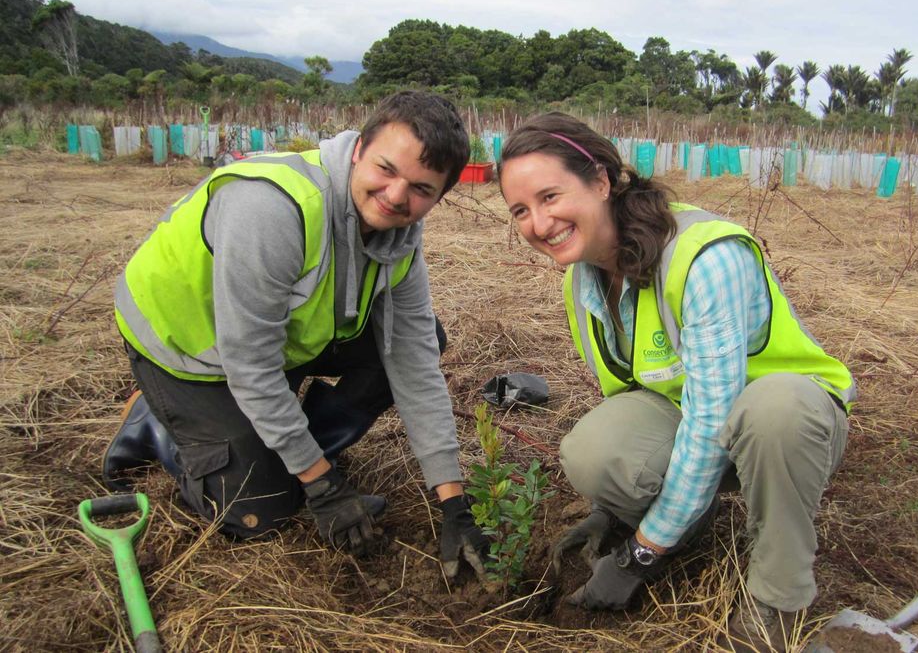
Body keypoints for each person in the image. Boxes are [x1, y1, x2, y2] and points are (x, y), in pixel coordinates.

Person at [497, 113, 854, 652]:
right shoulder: (583, 279)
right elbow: (628, 396)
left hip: (787, 426)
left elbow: (714, 419)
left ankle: (779, 598)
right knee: (594, 450)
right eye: (521, 210)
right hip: (693, 416)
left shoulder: (703, 256)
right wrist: (610, 511)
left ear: (600, 180)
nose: (539, 223)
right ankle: (690, 519)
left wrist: (641, 554)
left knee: (775, 409)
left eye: (550, 196)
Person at [103, 90, 488, 581]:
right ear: (358, 150)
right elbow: (250, 364)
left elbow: (413, 361)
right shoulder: (273, 209)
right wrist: (324, 488)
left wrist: (454, 505)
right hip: (188, 352)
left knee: (422, 338)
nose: (396, 196)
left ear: (439, 196)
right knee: (259, 513)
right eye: (386, 169)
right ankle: (156, 421)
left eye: (421, 189)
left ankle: (296, 457)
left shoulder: (400, 241)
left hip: (276, 342)